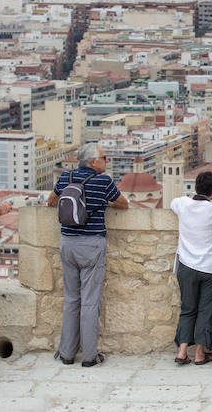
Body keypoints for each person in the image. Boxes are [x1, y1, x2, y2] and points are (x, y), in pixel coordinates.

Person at [47, 143, 129, 367]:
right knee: (90, 302)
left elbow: (51, 201)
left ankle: (66, 353)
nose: (106, 161)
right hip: (92, 244)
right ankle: (90, 356)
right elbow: (124, 204)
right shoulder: (103, 181)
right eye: (104, 158)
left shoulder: (66, 177)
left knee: (72, 299)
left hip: (68, 243)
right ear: (93, 162)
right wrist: (102, 201)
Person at [170, 171, 212, 366]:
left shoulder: (183, 205)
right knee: (207, 310)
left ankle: (182, 350)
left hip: (187, 265)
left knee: (188, 309)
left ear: (195, 187)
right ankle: (201, 354)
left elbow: (174, 203)